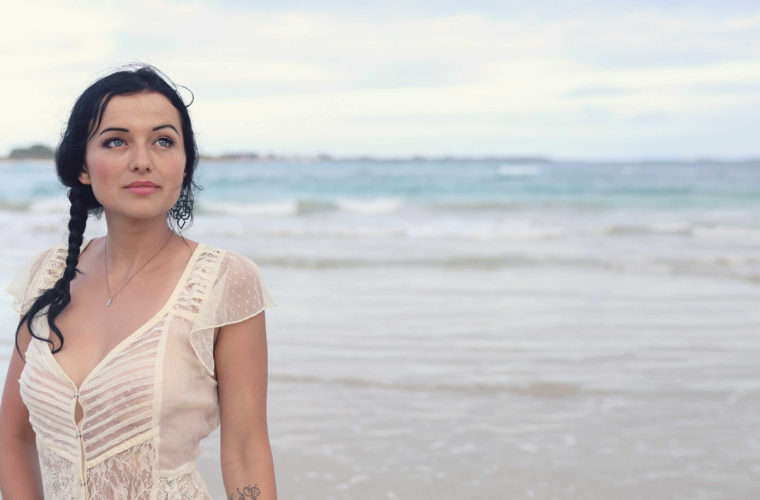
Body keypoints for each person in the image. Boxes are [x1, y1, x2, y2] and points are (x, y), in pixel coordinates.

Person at [0, 65, 277, 499]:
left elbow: (245, 452)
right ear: (83, 168)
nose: (142, 160)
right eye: (116, 141)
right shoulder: (47, 277)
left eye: (164, 141)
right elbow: (13, 438)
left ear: (184, 164)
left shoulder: (224, 281)